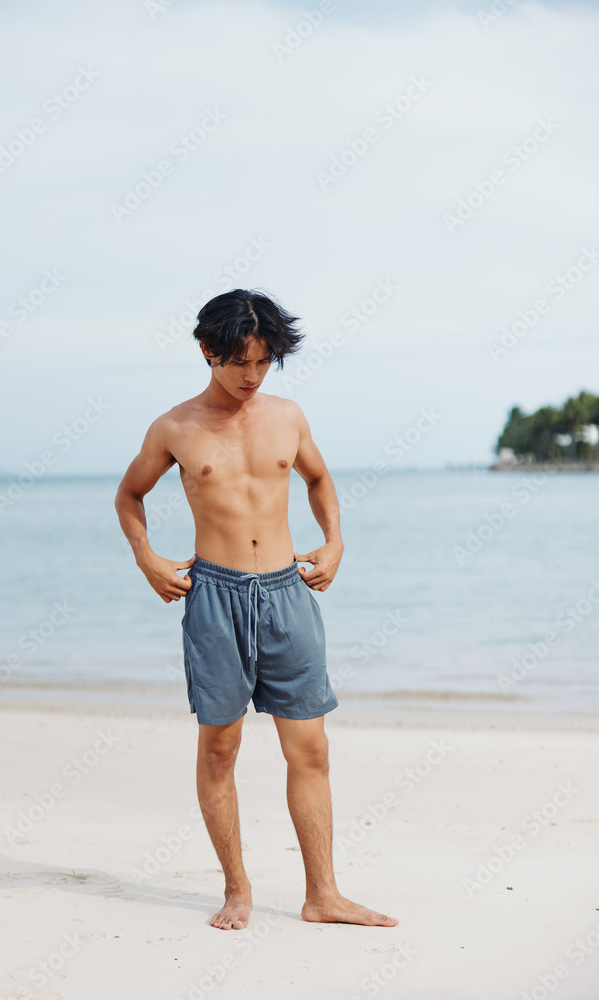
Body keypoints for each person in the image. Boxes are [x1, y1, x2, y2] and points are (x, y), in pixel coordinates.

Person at [114, 288, 398, 931]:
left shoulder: (288, 416)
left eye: (264, 361)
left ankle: (322, 894)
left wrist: (335, 542)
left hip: (285, 592)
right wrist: (147, 557)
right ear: (208, 352)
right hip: (213, 595)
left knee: (312, 748)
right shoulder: (174, 428)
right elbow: (129, 496)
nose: (252, 375)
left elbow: (319, 479)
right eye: (240, 361)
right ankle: (237, 890)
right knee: (220, 749)